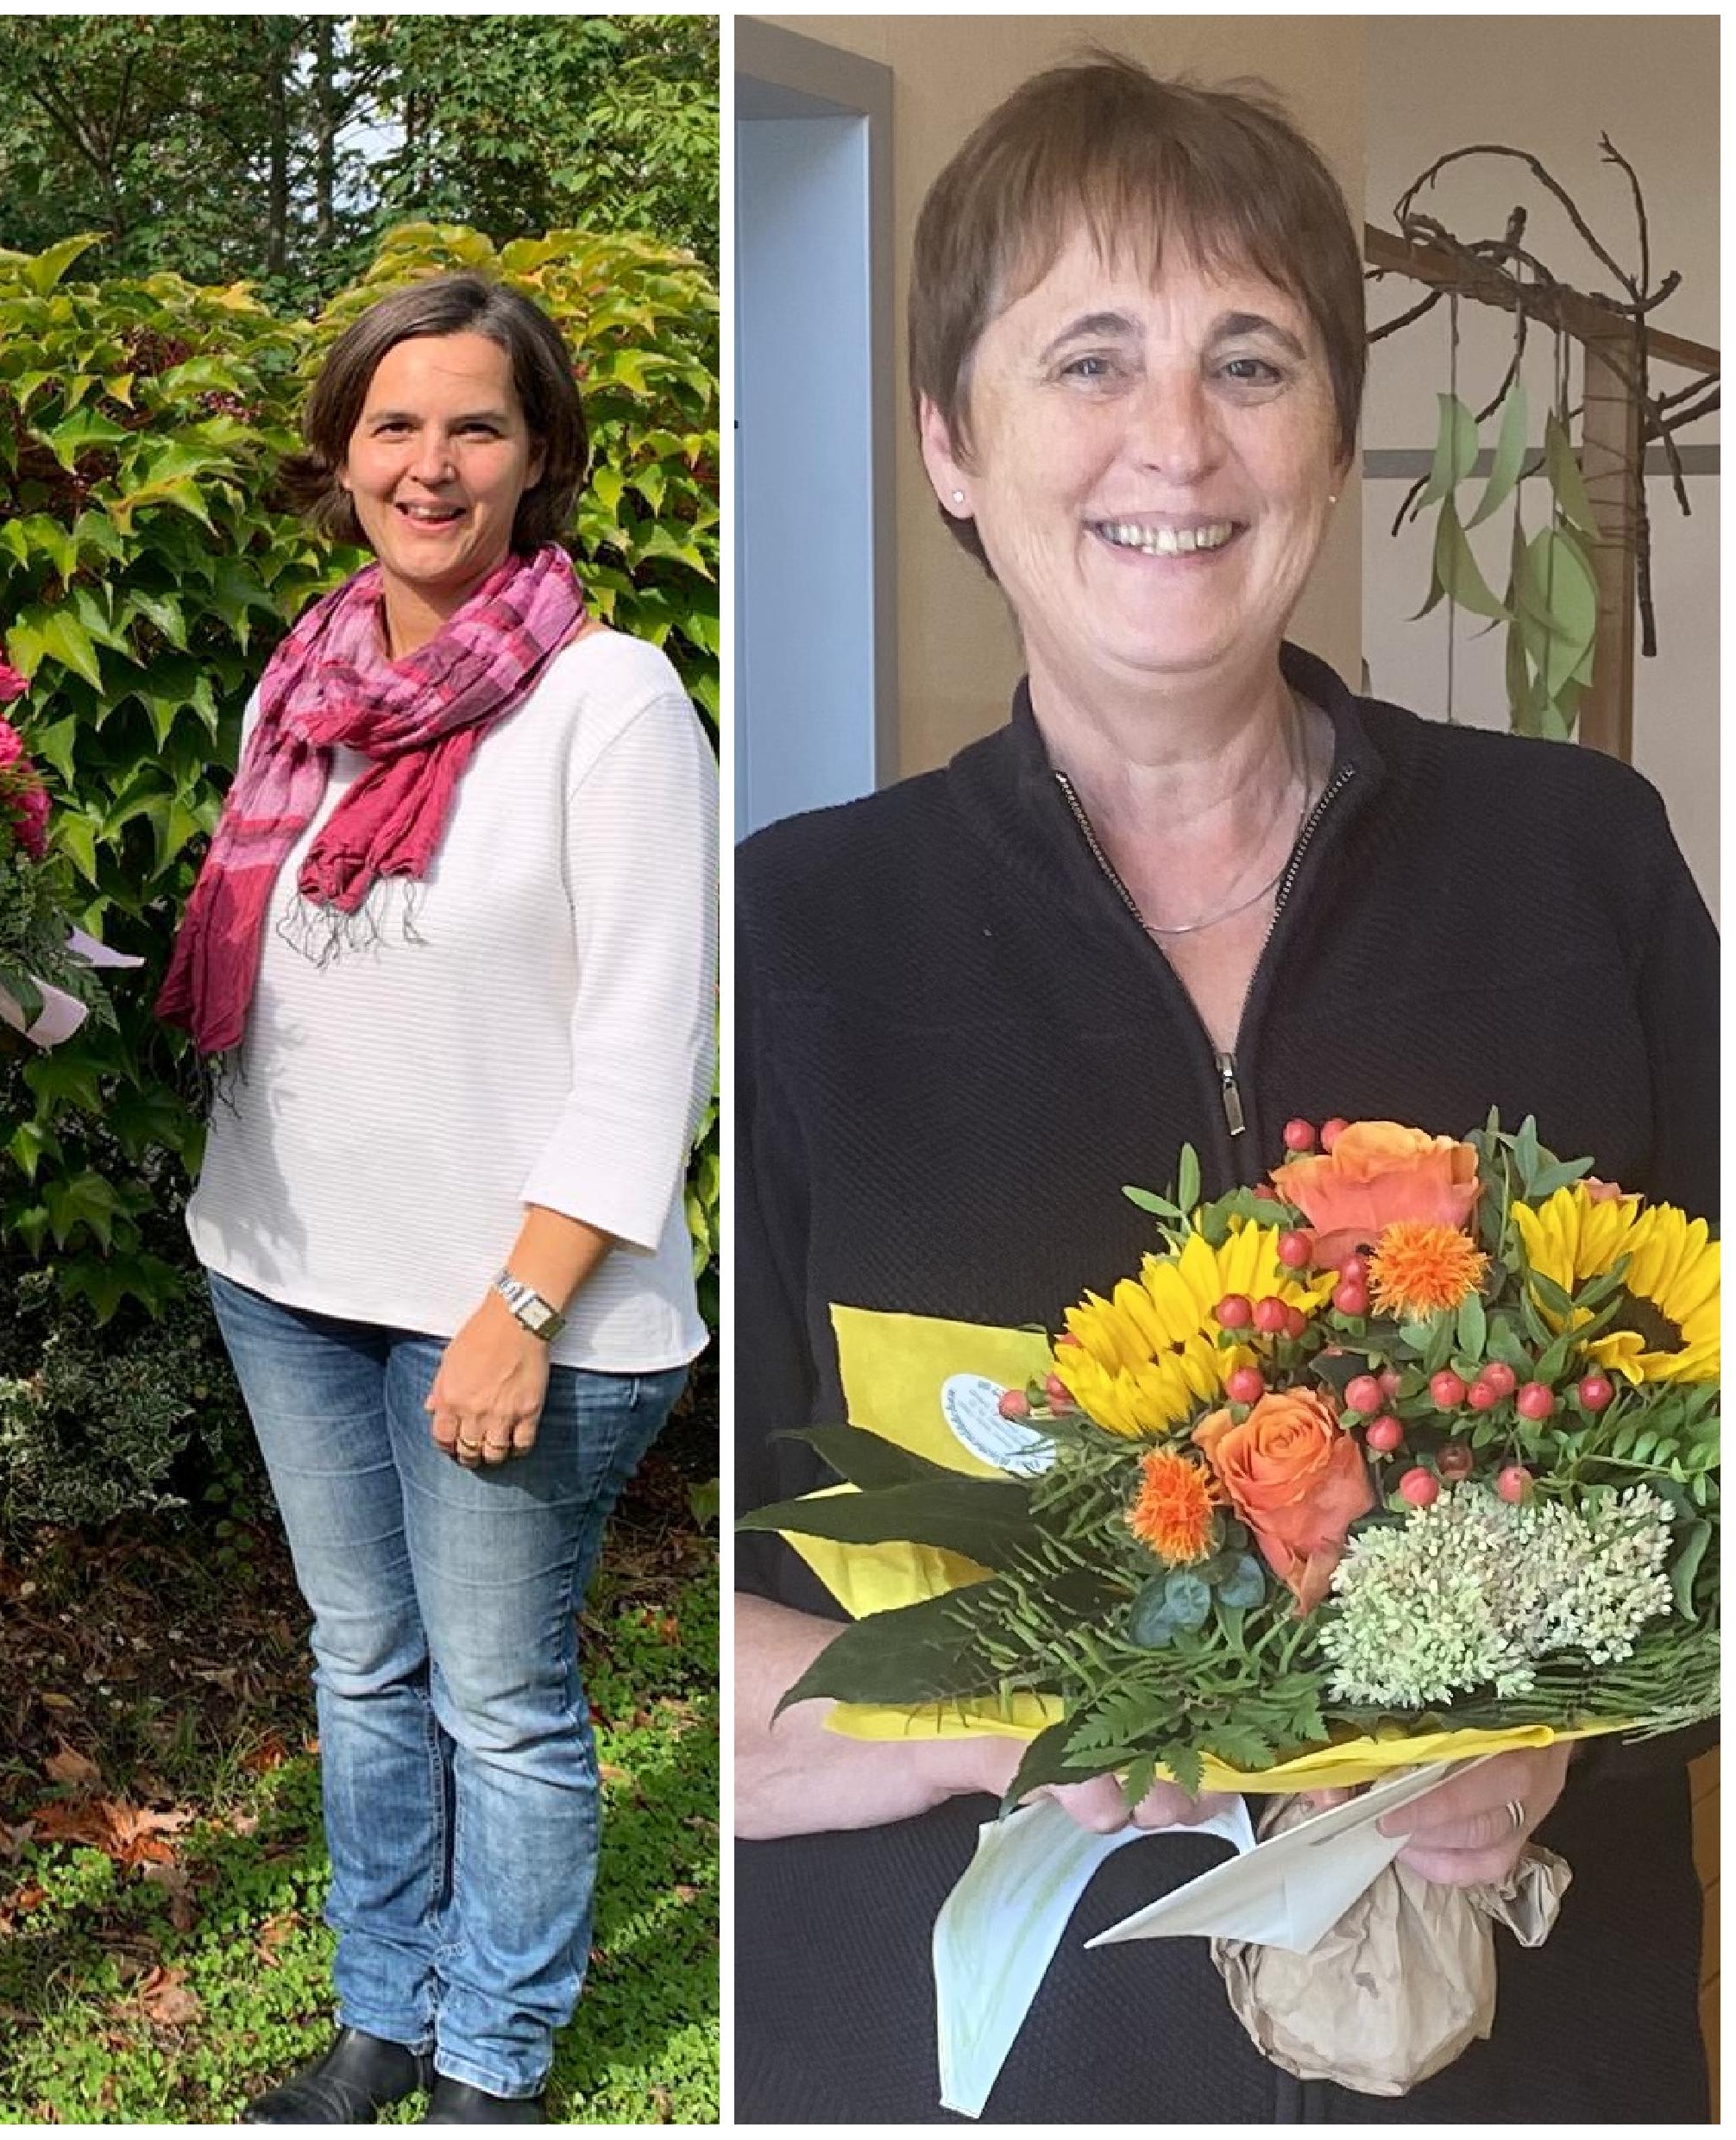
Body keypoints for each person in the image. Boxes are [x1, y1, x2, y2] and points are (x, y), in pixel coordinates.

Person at [733, 56, 1717, 2121]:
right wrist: (987, 1719)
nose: (1171, 440)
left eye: (1247, 361)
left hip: (1520, 2056)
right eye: (1084, 358)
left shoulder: (1580, 866)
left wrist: (1572, 1725)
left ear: (1334, 440)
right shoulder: (797, 939)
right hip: (971, 2067)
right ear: (949, 444)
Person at [162, 274, 720, 2124]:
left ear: (537, 456)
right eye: (391, 424)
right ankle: (378, 2018)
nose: (429, 462)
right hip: (287, 1266)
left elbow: (651, 1045)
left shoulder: (603, 701)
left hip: (508, 1307)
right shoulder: (303, 680)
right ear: (336, 455)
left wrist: (524, 1304)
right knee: (361, 1666)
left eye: (473, 424)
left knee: (498, 1702)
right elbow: (266, 965)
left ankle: (488, 2056)